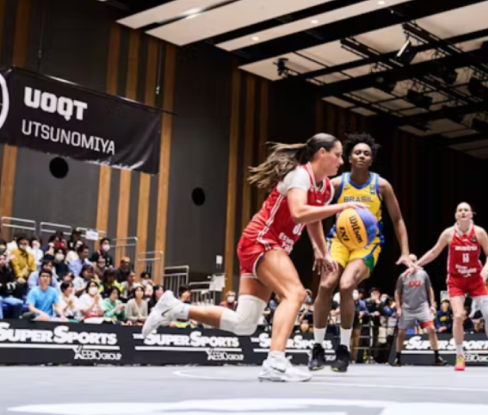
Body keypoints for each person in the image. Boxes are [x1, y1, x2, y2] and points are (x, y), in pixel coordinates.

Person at [142, 133, 362, 383]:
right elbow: (299, 212)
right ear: (322, 153)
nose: (341, 161)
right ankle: (276, 362)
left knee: (245, 323)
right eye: (337, 154)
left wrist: (322, 252)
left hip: (266, 246)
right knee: (295, 294)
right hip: (262, 240)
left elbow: (313, 221)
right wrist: (343, 207)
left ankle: (176, 308)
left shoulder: (323, 190)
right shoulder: (300, 175)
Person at [309, 134, 413, 372]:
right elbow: (312, 214)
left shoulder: (381, 185)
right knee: (326, 286)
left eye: (366, 153)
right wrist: (317, 248)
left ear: (371, 159)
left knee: (346, 286)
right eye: (357, 152)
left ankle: (343, 350)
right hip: (338, 240)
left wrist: (405, 252)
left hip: (368, 244)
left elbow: (397, 220)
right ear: (349, 158)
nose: (362, 155)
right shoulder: (337, 184)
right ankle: (317, 347)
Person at [404, 202, 488, 371]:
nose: (463, 212)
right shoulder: (448, 234)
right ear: (456, 215)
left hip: (476, 279)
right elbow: (434, 252)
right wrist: (416, 265)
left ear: (471, 214)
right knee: (457, 316)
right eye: (460, 210)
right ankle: (459, 356)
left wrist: (486, 267)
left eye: (466, 210)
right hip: (456, 280)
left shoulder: (479, 232)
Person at [391, 265, 446, 367]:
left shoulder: (423, 274)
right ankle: (398, 358)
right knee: (401, 332)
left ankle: (437, 357)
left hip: (422, 307)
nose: (410, 264)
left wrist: (432, 304)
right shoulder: (402, 276)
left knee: (431, 329)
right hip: (407, 308)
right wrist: (398, 308)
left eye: (413, 261)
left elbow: (430, 289)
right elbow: (397, 292)